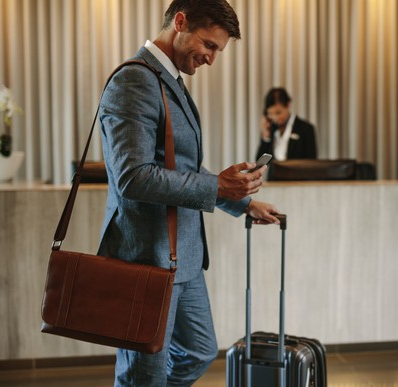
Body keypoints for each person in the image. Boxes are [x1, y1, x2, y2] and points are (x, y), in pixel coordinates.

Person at [97, 0, 280, 385]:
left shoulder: (170, 82)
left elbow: (182, 168)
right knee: (142, 374)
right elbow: (133, 177)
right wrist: (217, 185)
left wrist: (243, 203)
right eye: (209, 45)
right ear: (180, 22)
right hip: (148, 258)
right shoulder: (134, 80)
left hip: (185, 258)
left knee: (197, 352)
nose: (212, 59)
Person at [255, 87, 318, 161]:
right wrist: (266, 137)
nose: (275, 118)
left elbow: (311, 163)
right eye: (271, 114)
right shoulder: (270, 129)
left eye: (278, 113)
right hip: (275, 173)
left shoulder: (306, 129)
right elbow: (261, 163)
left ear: (288, 105)